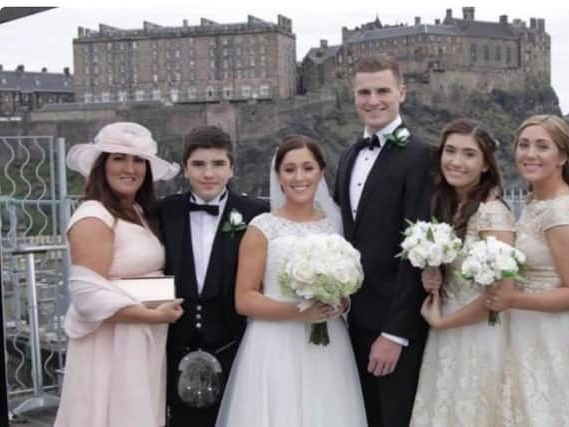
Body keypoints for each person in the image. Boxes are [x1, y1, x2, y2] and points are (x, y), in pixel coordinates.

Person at [216, 135, 367, 427]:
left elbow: (348, 284)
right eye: (290, 169)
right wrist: (300, 311)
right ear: (278, 176)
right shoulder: (262, 228)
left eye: (308, 168)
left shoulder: (335, 224)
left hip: (328, 344)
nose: (299, 177)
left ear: (321, 173)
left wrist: (342, 299)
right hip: (274, 344)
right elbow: (244, 299)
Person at [55, 122, 184, 427]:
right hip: (112, 347)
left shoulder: (139, 212)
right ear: (101, 166)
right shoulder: (93, 216)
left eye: (138, 160)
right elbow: (87, 294)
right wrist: (151, 316)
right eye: (118, 158)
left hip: (140, 342)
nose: (130, 168)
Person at [487, 115, 569, 426]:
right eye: (524, 145)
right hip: (529, 331)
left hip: (554, 336)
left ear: (562, 156)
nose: (530, 154)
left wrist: (511, 299)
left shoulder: (561, 211)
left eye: (542, 146)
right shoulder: (536, 201)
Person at [333, 54, 432, 427]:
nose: (372, 100)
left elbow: (418, 251)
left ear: (401, 93)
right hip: (351, 322)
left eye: (382, 91)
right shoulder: (347, 156)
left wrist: (396, 332)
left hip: (395, 326)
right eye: (364, 92)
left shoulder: (421, 156)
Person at [409, 119, 515, 426]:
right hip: (446, 334)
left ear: (485, 165)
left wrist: (444, 322)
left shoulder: (492, 213)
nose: (456, 161)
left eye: (469, 154)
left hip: (478, 334)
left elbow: (499, 295)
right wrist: (431, 277)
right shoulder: (446, 207)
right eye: (450, 151)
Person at [160, 126, 268, 426]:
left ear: (232, 168)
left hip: (236, 348)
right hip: (174, 348)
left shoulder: (257, 213)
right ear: (185, 169)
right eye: (198, 164)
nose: (209, 174)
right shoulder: (165, 212)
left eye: (218, 164)